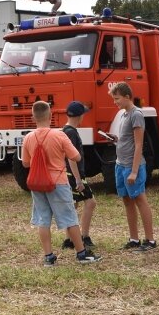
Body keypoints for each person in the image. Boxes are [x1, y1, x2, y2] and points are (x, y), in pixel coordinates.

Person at [22, 100, 100, 266]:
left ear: (33, 117)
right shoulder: (59, 135)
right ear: (50, 115)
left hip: (37, 183)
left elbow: (25, 164)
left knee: (43, 220)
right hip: (58, 181)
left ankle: (49, 257)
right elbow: (76, 157)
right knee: (69, 218)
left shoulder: (28, 137)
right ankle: (81, 254)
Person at [110, 83, 157, 252]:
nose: (115, 102)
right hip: (120, 164)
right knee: (127, 201)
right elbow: (127, 139)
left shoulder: (136, 114)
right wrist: (116, 140)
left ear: (127, 96)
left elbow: (138, 145)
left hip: (131, 166)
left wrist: (135, 171)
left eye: (117, 99)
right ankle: (134, 238)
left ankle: (150, 240)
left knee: (140, 200)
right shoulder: (123, 114)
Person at [60, 101, 98, 251]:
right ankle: (84, 236)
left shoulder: (65, 130)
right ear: (79, 116)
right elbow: (71, 157)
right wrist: (77, 179)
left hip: (67, 173)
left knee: (73, 205)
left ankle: (69, 239)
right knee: (90, 202)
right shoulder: (71, 132)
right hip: (73, 174)